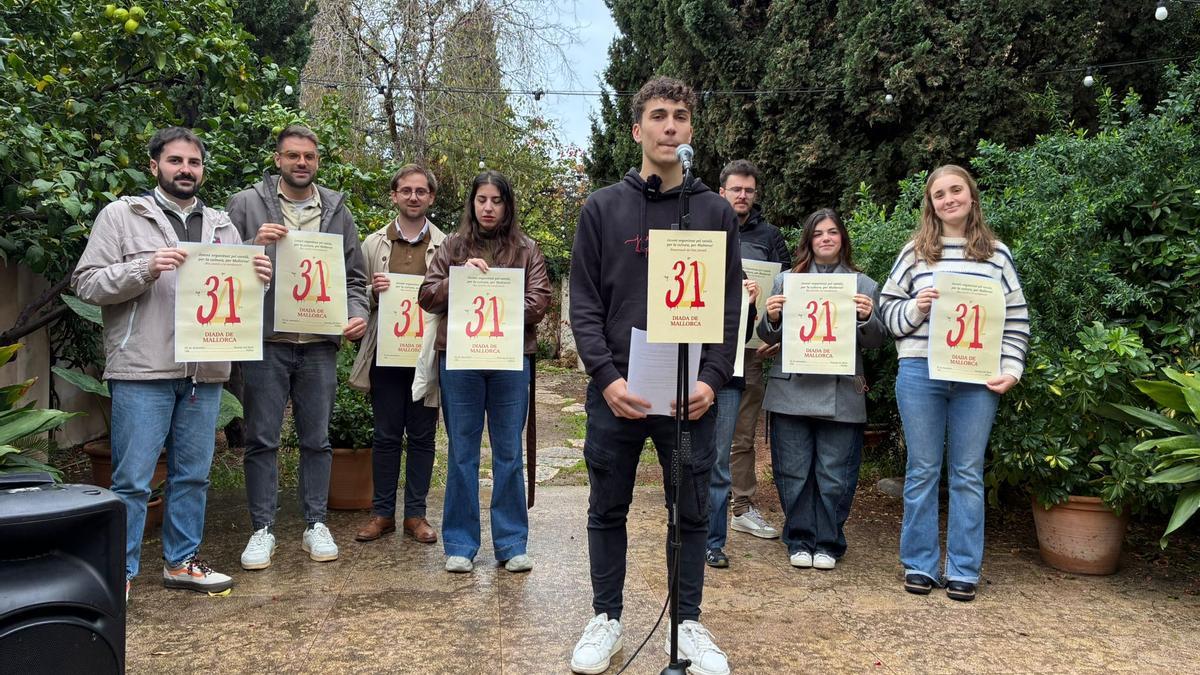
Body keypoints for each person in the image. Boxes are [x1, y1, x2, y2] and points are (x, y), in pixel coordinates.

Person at [567, 76, 739, 675]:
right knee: (606, 506)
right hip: (619, 389)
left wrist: (713, 380)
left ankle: (688, 621)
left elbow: (725, 307)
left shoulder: (714, 211)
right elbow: (584, 303)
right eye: (659, 116)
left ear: (692, 130)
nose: (671, 126)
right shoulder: (601, 208)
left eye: (682, 117)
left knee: (691, 510)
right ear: (637, 129)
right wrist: (607, 378)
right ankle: (606, 618)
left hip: (690, 391)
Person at [73, 126, 272, 600]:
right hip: (144, 369)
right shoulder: (122, 216)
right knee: (133, 478)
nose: (186, 170)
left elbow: (231, 298)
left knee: (193, 474)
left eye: (194, 163)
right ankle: (116, 574)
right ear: (154, 166)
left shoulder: (222, 225)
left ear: (203, 170)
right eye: (176, 161)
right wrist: (145, 268)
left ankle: (182, 562)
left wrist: (258, 277)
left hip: (204, 372)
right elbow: (87, 283)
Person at [880, 165, 1028, 602]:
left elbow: (1016, 317)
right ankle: (920, 564)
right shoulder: (915, 253)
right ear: (930, 203)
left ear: (971, 195)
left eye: (955, 190)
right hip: (921, 372)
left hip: (976, 376)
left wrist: (1012, 368)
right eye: (939, 194)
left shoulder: (997, 255)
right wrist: (917, 309)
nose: (948, 199)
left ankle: (964, 568)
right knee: (922, 469)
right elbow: (887, 312)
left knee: (966, 473)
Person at [227, 125, 369, 570]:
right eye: (292, 155)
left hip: (319, 346)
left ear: (318, 161)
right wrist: (253, 247)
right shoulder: (247, 204)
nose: (301, 163)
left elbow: (356, 280)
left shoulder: (337, 210)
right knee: (262, 439)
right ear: (277, 160)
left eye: (308, 156)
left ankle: (315, 524)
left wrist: (357, 312)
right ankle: (261, 529)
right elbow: (221, 264)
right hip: (268, 343)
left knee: (317, 439)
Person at [417, 170, 551, 574]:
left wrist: (499, 293)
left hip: (511, 362)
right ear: (471, 204)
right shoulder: (452, 246)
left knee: (509, 451)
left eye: (496, 200)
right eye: (482, 200)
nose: (488, 207)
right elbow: (427, 294)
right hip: (461, 361)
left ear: (507, 205)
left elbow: (540, 301)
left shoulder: (527, 249)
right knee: (461, 453)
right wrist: (459, 282)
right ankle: (460, 543)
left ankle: (511, 544)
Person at [757, 209, 886, 570]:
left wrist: (866, 317)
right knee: (793, 471)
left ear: (842, 238)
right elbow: (767, 335)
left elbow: (877, 341)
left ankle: (828, 542)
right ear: (808, 241)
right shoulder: (787, 281)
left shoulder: (863, 285)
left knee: (835, 474)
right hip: (791, 391)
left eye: (832, 232)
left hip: (842, 392)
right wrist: (772, 315)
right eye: (818, 233)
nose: (826, 238)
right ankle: (798, 537)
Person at [348, 164, 447, 545]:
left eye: (421, 191)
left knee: (422, 436)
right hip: (386, 355)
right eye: (405, 190)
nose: (413, 197)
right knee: (386, 435)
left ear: (431, 197)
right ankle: (382, 513)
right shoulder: (373, 244)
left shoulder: (446, 243)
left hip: (426, 355)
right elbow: (356, 290)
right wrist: (373, 291)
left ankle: (416, 515)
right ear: (394, 195)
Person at [719, 159, 789, 541]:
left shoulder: (770, 237)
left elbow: (787, 286)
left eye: (748, 190)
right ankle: (693, 500)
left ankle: (741, 506)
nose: (742, 196)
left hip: (751, 349)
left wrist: (773, 334)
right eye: (736, 189)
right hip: (707, 347)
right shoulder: (704, 228)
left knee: (742, 434)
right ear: (722, 192)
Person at [704, 277, 760, 569]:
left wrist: (748, 306)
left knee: (719, 463)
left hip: (728, 379)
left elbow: (741, 336)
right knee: (681, 456)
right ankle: (683, 533)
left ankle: (714, 542)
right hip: (685, 373)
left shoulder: (733, 276)